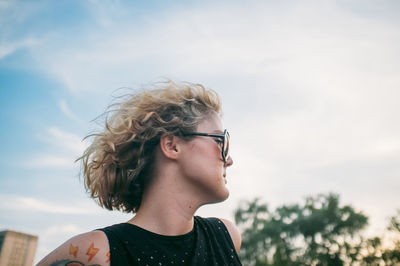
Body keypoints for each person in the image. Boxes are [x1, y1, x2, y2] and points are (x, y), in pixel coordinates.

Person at [37, 80, 242, 266]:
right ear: (172, 145)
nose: (229, 159)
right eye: (219, 141)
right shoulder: (94, 253)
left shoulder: (226, 237)